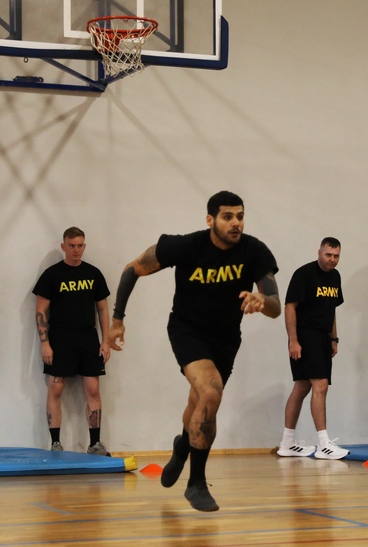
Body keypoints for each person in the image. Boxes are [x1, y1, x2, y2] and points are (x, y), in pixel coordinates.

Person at [108, 191, 280, 512]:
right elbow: (133, 270)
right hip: (187, 330)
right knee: (211, 394)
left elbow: (275, 305)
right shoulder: (185, 246)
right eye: (228, 216)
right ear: (210, 219)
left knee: (200, 402)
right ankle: (196, 482)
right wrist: (117, 319)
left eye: (240, 216)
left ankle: (182, 445)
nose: (236, 223)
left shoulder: (254, 251)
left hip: (226, 338)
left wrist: (263, 302)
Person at [33, 227, 112, 455]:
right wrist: (44, 343)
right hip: (60, 338)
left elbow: (103, 309)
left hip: (88, 338)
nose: (75, 250)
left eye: (79, 246)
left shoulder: (94, 274)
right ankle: (56, 444)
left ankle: (95, 444)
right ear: (63, 246)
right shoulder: (52, 274)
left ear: (84, 246)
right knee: (56, 388)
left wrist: (105, 341)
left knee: (93, 389)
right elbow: (40, 311)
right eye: (71, 245)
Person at [278, 237, 348, 460]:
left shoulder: (335, 276)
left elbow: (332, 309)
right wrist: (293, 340)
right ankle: (324, 444)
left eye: (336, 256)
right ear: (319, 252)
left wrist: (334, 338)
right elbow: (290, 306)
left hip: (323, 337)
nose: (332, 260)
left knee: (301, 387)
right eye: (328, 255)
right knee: (321, 385)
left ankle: (287, 443)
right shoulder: (304, 274)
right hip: (306, 335)